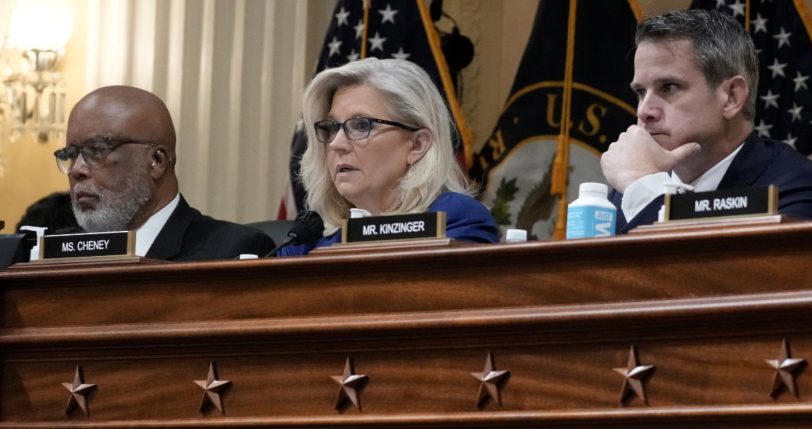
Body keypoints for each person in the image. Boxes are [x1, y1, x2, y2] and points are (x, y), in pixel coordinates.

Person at [601, 9, 812, 233]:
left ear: (732, 97)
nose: (644, 111)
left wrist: (641, 186)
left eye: (668, 87)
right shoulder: (628, 189)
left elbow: (702, 266)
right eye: (640, 92)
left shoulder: (798, 189)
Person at [279, 58, 498, 255]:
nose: (336, 144)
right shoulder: (309, 239)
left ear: (417, 144)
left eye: (360, 125)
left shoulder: (453, 220)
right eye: (332, 128)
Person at [53, 85, 274, 261]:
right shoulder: (52, 252)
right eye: (71, 154)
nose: (76, 169)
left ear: (157, 161)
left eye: (97, 150)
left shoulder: (230, 252)